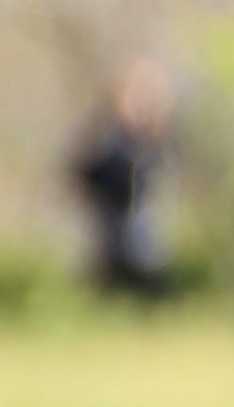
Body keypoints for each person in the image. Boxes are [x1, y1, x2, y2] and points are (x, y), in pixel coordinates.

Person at [66, 58, 182, 300]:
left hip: (147, 243)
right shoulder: (107, 138)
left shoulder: (154, 143)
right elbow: (82, 174)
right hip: (113, 239)